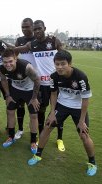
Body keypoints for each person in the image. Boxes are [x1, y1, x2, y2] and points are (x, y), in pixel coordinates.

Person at [27, 50, 97, 176]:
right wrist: (52, 112)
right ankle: (38, 155)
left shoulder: (80, 76)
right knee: (47, 126)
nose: (59, 67)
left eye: (63, 64)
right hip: (62, 106)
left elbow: (85, 99)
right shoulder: (53, 76)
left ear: (70, 63)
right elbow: (53, 94)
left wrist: (81, 121)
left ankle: (92, 162)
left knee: (84, 135)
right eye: (57, 64)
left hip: (78, 108)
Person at [15, 20, 65, 151]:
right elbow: (17, 49)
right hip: (41, 85)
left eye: (39, 29)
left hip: (55, 84)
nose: (37, 31)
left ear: (44, 28)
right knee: (41, 110)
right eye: (35, 29)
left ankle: (60, 138)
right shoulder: (32, 45)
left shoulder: (54, 41)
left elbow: (64, 57)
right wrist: (1, 46)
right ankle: (42, 135)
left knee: (59, 111)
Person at [0, 48, 40, 154]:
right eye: (5, 62)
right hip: (15, 90)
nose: (8, 64)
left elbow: (37, 80)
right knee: (10, 111)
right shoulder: (0, 68)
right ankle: (11, 137)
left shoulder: (26, 67)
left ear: (15, 59)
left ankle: (33, 141)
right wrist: (7, 95)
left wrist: (34, 98)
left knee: (33, 116)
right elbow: (3, 80)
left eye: (10, 61)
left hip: (30, 91)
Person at [13, 18, 36, 140]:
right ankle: (20, 129)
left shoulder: (37, 40)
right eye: (22, 27)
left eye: (27, 27)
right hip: (23, 77)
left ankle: (38, 133)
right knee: (20, 105)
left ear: (32, 26)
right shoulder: (19, 40)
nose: (24, 29)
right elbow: (14, 57)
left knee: (37, 108)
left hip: (36, 78)